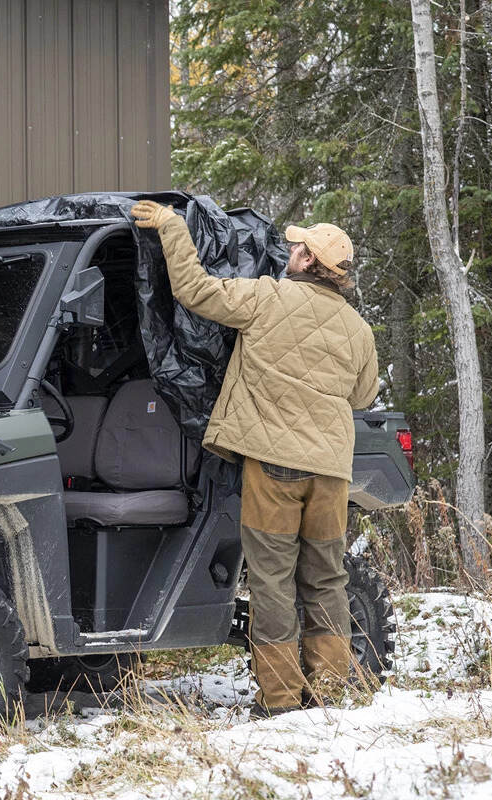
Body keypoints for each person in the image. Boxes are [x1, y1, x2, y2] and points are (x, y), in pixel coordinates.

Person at [130, 200, 379, 718]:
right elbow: (362, 397)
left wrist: (174, 227)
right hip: (332, 473)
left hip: (275, 465)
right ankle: (331, 692)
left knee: (271, 582)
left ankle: (282, 701)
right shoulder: (358, 329)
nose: (287, 251)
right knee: (326, 580)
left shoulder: (268, 298)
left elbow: (194, 290)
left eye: (296, 247)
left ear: (310, 262)